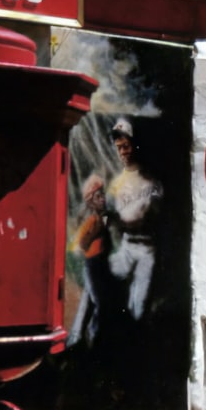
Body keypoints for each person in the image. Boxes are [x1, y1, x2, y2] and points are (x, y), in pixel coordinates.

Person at [106, 117, 163, 321]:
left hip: (146, 250)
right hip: (126, 247)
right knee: (99, 280)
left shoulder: (151, 181)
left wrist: (117, 219)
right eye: (119, 147)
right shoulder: (117, 183)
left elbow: (148, 217)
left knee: (138, 308)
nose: (123, 152)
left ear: (135, 145)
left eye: (126, 146)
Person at [67, 174, 112, 348]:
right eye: (98, 196)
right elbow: (83, 243)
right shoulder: (95, 221)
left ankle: (76, 337)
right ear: (91, 201)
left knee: (88, 300)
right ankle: (94, 337)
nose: (103, 199)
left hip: (97, 263)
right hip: (93, 264)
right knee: (98, 302)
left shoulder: (101, 218)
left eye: (103, 195)